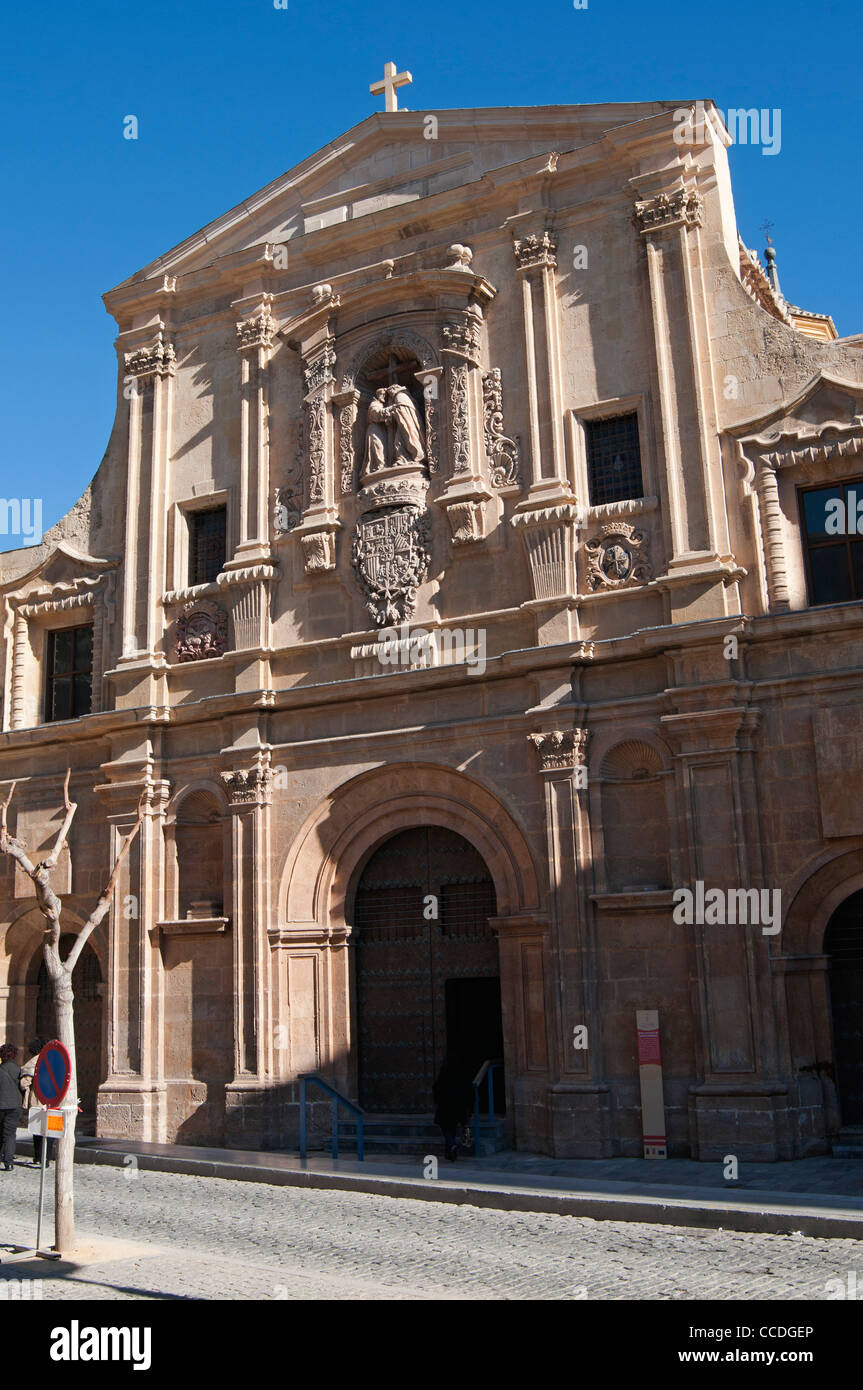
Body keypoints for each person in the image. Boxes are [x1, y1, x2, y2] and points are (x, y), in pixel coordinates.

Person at [19, 1037, 55, 1168]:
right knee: (50, 1132)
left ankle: (38, 1156)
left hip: (38, 1101)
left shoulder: (34, 1061)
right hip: (53, 1102)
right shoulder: (54, 1060)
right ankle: (47, 1158)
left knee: (37, 1131)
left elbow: (24, 1083)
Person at [433, 1052, 474, 1161]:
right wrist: (469, 1107)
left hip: (445, 1105)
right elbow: (469, 1092)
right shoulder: (462, 1075)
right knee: (452, 1127)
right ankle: (449, 1153)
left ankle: (451, 1145)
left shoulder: (444, 1074)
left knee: (446, 1127)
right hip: (459, 1107)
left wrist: (437, 1101)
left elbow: (437, 1088)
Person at [0, 1043, 22, 1171]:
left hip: (1, 1106)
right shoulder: (18, 1070)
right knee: (10, 1134)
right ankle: (9, 1162)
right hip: (14, 1106)